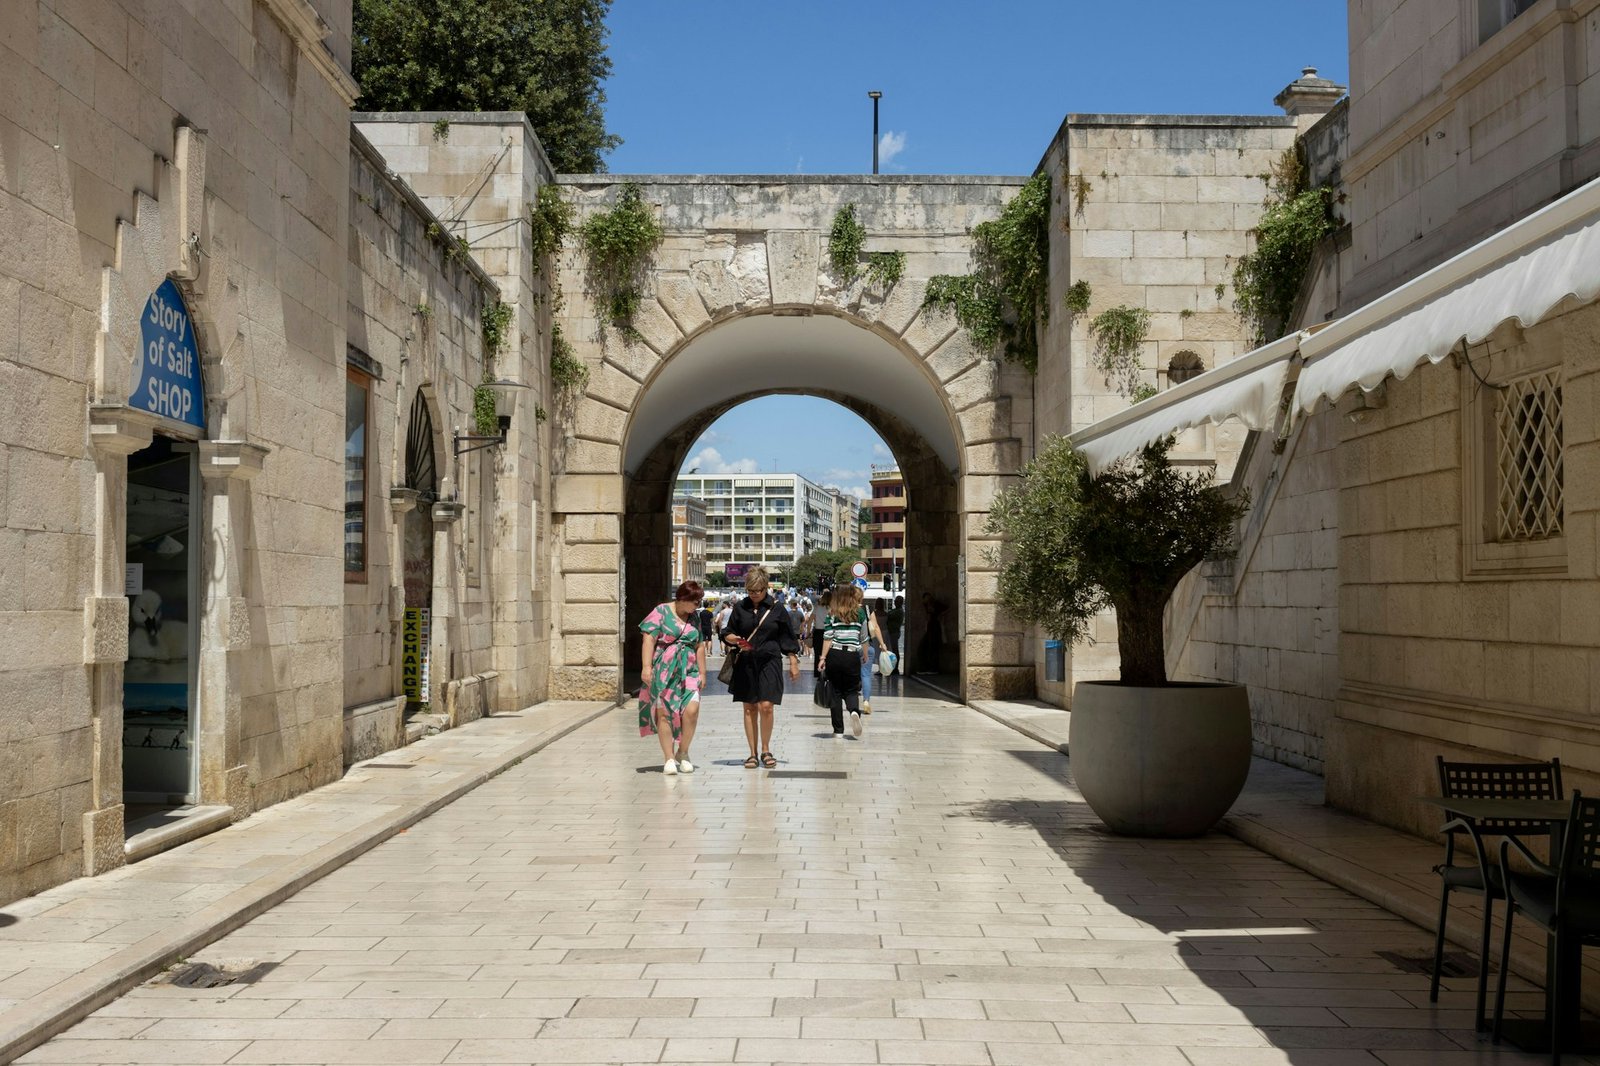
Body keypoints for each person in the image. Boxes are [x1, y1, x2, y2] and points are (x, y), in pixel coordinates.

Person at [720, 566, 801, 768]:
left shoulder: (777, 608)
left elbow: (787, 637)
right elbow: (728, 632)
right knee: (749, 708)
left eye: (758, 590)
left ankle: (766, 749)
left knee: (766, 706)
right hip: (746, 662)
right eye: (750, 591)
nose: (754, 594)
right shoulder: (740, 608)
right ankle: (752, 753)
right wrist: (733, 639)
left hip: (770, 660)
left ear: (765, 588)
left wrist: (792, 661)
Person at [638, 581, 709, 775]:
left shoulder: (694, 618)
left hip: (689, 670)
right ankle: (669, 757)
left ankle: (683, 752)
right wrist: (646, 667)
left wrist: (703, 672)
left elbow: (700, 644)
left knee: (692, 711)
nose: (698, 606)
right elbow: (649, 639)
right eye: (695, 602)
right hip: (664, 670)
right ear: (683, 599)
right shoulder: (661, 612)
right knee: (665, 713)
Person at [820, 584, 869, 739]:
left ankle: (838, 730)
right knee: (851, 689)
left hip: (834, 654)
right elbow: (864, 637)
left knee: (835, 691)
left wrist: (822, 658)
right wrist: (865, 654)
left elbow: (827, 637)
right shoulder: (860, 613)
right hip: (852, 655)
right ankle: (854, 710)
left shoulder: (831, 613)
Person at [858, 599, 885, 714]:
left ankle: (851, 701)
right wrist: (882, 643)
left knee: (850, 674)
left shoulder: (845, 608)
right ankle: (866, 701)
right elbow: (876, 627)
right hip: (867, 646)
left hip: (849, 647)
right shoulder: (867, 609)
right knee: (866, 675)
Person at [917, 591, 946, 674]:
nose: (928, 600)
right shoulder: (926, 605)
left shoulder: (936, 604)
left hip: (935, 627)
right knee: (923, 647)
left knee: (933, 648)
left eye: (929, 598)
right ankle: (925, 667)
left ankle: (934, 668)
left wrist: (940, 615)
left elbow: (946, 608)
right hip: (929, 628)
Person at [810, 589, 831, 673]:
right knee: (828, 654)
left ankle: (818, 673)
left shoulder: (817, 607)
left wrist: (808, 632)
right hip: (829, 632)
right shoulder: (832, 608)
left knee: (817, 654)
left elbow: (810, 620)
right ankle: (828, 672)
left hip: (818, 632)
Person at [885, 595, 905, 671]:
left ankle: (895, 668)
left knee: (894, 650)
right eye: (895, 601)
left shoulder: (899, 611)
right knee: (892, 650)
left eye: (897, 601)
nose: (895, 602)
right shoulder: (895, 610)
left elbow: (888, 615)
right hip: (891, 632)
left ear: (901, 602)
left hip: (894, 632)